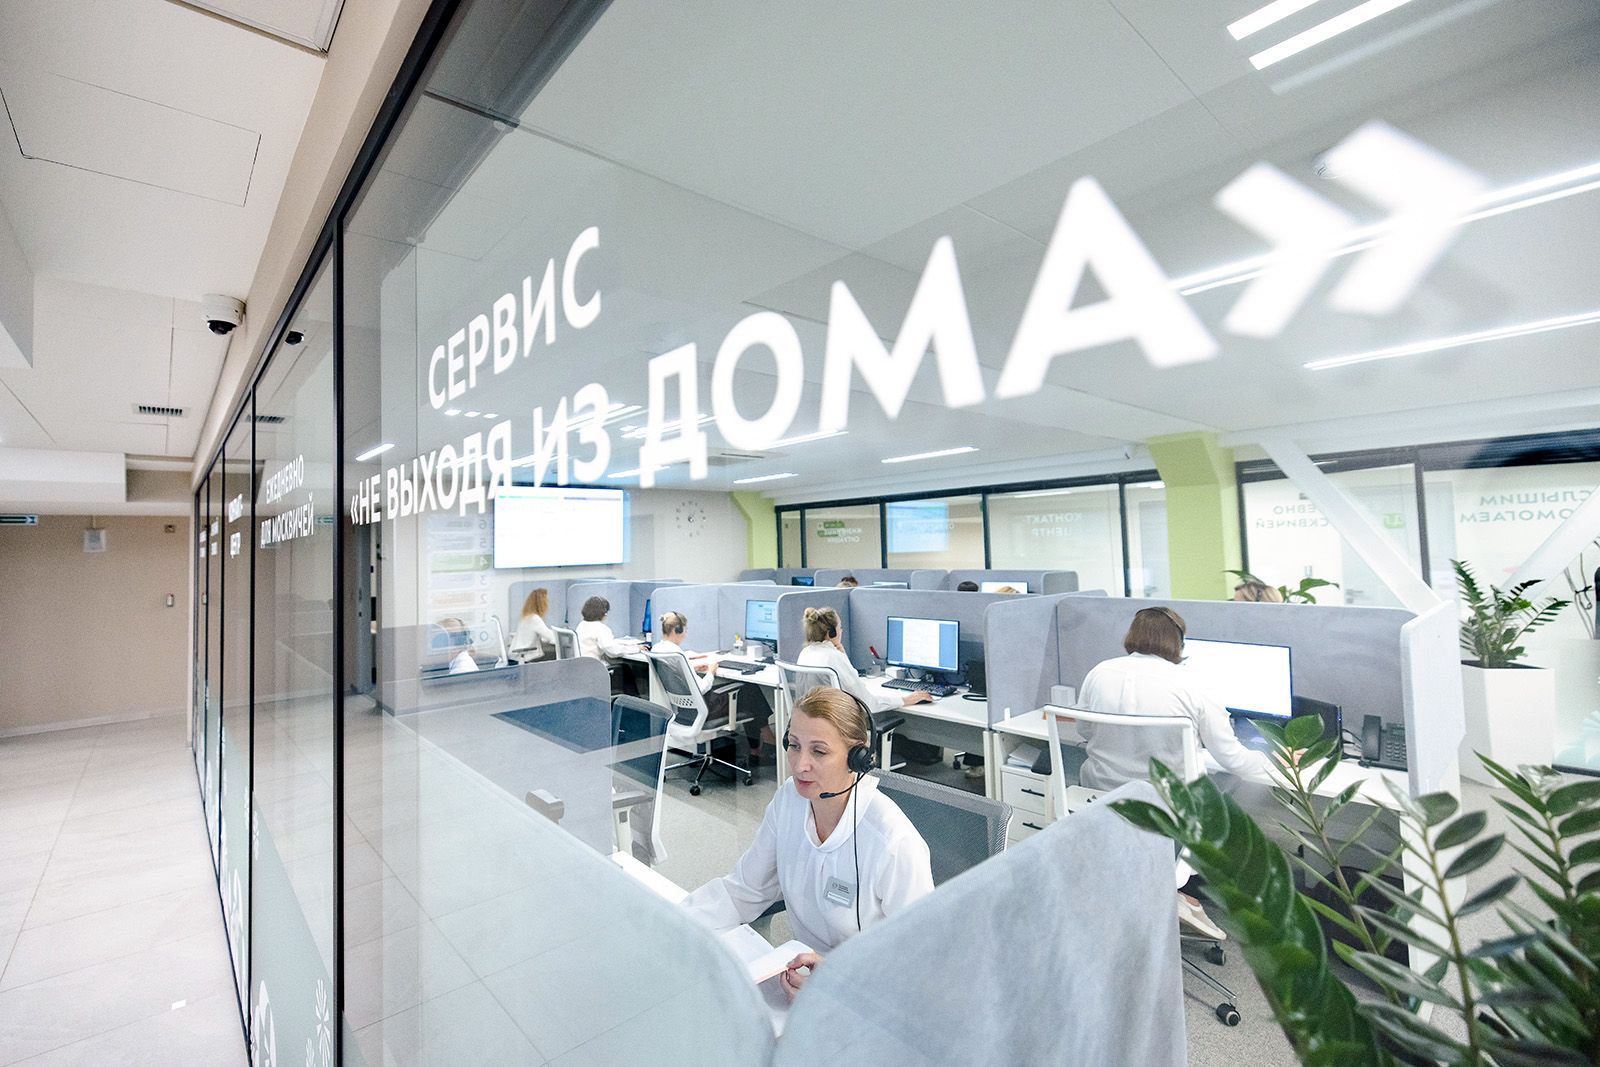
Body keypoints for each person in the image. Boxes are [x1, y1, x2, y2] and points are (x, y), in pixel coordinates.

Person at [682, 686, 934, 999]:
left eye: (819, 751)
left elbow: (920, 963)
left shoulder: (893, 842)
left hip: (869, 996)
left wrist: (835, 980)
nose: (800, 764)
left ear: (857, 757)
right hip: (800, 980)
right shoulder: (790, 800)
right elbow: (744, 890)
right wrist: (674, 922)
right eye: (794, 745)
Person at [1076, 606, 1276, 940]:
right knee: (1227, 791)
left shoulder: (1099, 673)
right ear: (1178, 642)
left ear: (1132, 635)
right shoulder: (1194, 685)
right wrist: (1282, 762)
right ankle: (1172, 894)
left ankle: (1158, 895)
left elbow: (1084, 731)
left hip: (1103, 799)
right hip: (1168, 808)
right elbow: (1233, 760)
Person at [796, 606, 930, 710]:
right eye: (840, 627)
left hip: (811, 724)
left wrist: (842, 655)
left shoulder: (806, 652)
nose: (841, 631)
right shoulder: (833, 657)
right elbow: (866, 703)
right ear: (832, 633)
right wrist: (905, 700)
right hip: (837, 727)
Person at [512, 587, 556, 661]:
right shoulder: (534, 619)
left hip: (520, 656)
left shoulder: (526, 617)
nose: (548, 603)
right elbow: (550, 637)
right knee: (557, 655)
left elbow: (543, 636)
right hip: (529, 657)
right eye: (547, 601)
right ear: (542, 603)